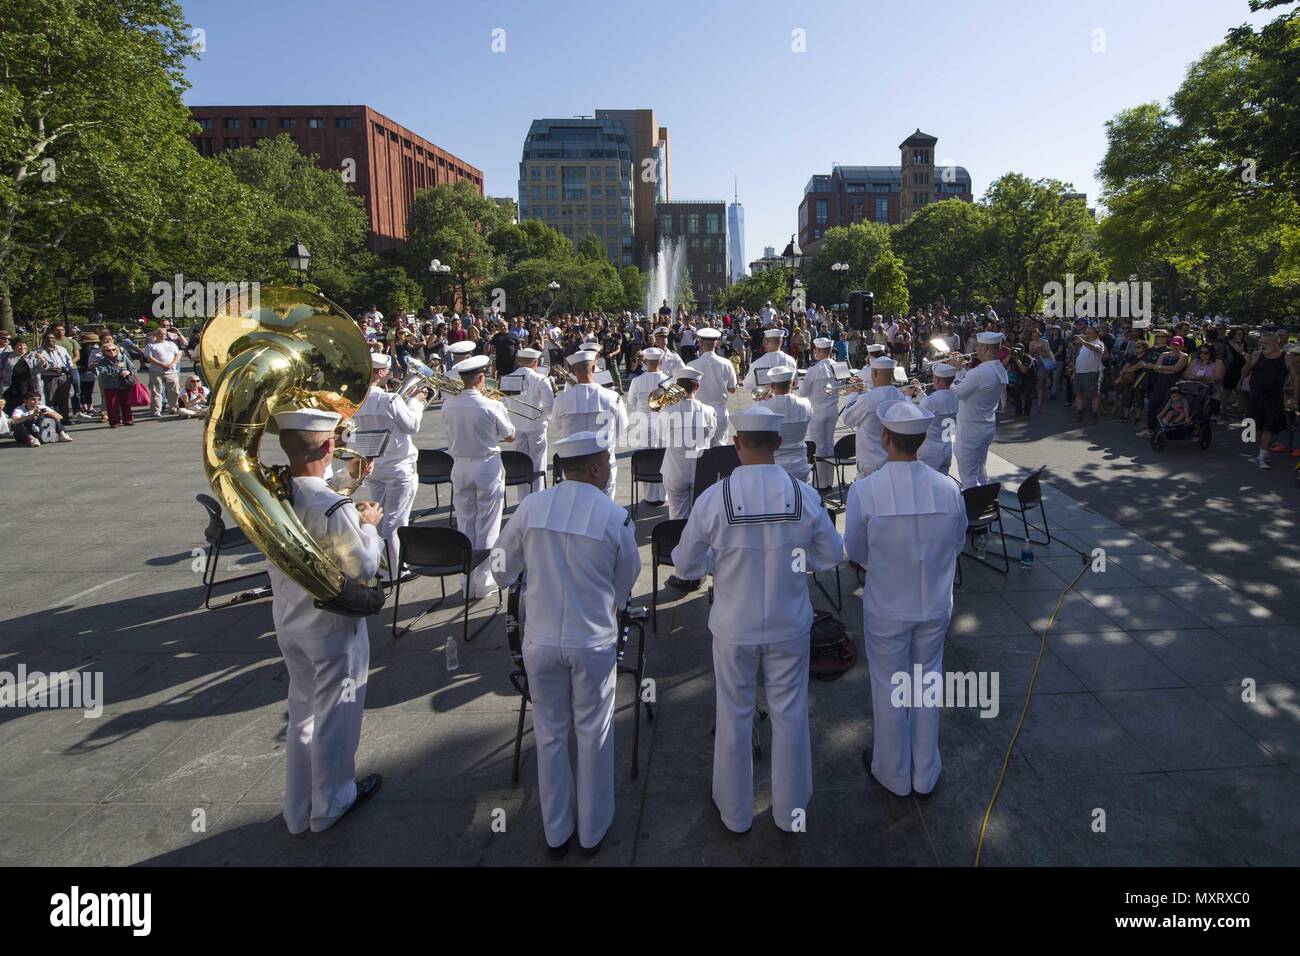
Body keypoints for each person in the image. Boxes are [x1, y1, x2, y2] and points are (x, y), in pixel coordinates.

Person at [671, 406, 845, 833]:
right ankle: (791, 811)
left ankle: (734, 813)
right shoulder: (803, 494)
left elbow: (686, 565)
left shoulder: (713, 498)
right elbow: (832, 555)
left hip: (734, 626)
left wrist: (720, 560)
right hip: (790, 623)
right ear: (779, 443)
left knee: (733, 713)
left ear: (736, 444)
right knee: (790, 713)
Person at [491, 431, 641, 858]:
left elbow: (500, 570)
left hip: (539, 639)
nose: (610, 469)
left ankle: (556, 832)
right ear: (595, 468)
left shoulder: (532, 506)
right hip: (592, 640)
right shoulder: (615, 516)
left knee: (551, 734)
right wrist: (608, 601)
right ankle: (592, 830)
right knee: (594, 733)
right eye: (608, 463)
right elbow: (627, 576)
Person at [267, 407, 386, 834]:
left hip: (290, 619)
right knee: (338, 714)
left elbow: (314, 497)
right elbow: (363, 566)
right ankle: (332, 802)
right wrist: (370, 524)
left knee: (303, 713)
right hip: (332, 626)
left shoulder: (272, 494)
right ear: (329, 444)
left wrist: (345, 482)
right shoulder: (332, 505)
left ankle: (298, 809)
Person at [844, 401, 966, 797]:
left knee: (889, 685)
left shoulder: (864, 489)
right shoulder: (949, 487)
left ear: (884, 438)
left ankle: (893, 771)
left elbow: (856, 551)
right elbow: (957, 542)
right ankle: (925, 770)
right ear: (923, 439)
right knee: (927, 682)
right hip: (934, 604)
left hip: (886, 606)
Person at [443, 354, 516, 598]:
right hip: (486, 465)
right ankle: (485, 581)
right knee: (489, 524)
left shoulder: (448, 404)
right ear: (482, 377)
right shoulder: (491, 404)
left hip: (460, 466)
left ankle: (467, 582)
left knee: (466, 523)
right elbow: (510, 435)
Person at [351, 353, 428, 581]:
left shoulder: (356, 400)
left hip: (375, 464)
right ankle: (394, 570)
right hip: (399, 466)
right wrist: (417, 401)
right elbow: (412, 425)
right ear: (381, 373)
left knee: (381, 517)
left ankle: (382, 566)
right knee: (396, 520)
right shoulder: (390, 399)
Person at [550, 350, 626, 499]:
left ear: (572, 371)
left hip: (574, 466)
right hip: (604, 463)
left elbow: (557, 426)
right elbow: (621, 429)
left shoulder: (561, 400)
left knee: (576, 508)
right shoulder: (612, 397)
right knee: (605, 509)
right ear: (593, 368)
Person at [948, 332, 1008, 488]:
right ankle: (986, 500)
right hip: (985, 427)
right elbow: (972, 385)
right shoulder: (998, 368)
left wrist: (954, 370)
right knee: (980, 469)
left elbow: (955, 393)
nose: (976, 349)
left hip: (970, 431)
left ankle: (973, 509)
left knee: (968, 478)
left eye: (979, 346)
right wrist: (960, 368)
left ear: (986, 349)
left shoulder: (979, 372)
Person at [660, 366, 716, 525]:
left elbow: (661, 436)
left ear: (676, 387)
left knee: (677, 518)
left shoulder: (666, 410)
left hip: (675, 470)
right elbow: (711, 437)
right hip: (701, 470)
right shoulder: (709, 411)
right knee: (702, 518)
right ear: (697, 386)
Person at [841, 356, 905, 478]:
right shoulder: (900, 396)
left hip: (870, 464)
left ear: (875, 372)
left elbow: (848, 419)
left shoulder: (867, 399)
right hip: (891, 461)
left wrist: (852, 394)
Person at [504, 347, 556, 495]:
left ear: (519, 361)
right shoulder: (540, 379)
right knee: (538, 463)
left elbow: (504, 404)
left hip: (516, 427)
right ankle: (538, 496)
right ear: (535, 362)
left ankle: (523, 498)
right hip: (536, 427)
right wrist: (544, 418)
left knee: (521, 463)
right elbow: (550, 406)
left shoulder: (508, 378)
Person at [625, 347, 669, 506]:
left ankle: (650, 496)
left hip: (644, 422)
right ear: (661, 362)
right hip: (663, 421)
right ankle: (662, 494)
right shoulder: (668, 380)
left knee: (648, 456)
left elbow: (631, 402)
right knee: (664, 456)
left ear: (645, 362)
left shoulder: (637, 381)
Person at [800, 337, 841, 491]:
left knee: (818, 447)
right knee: (829, 444)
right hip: (832, 410)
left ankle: (819, 482)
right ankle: (828, 481)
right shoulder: (839, 366)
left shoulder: (813, 370)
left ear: (818, 351)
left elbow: (803, 393)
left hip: (817, 412)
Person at [758, 367, 812, 482]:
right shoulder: (806, 403)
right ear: (793, 383)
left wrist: (763, 401)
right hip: (801, 467)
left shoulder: (763, 407)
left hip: (775, 469)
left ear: (772, 386)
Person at [1244, 332, 1288, 470]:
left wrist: (1294, 398)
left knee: (1270, 426)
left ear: (1276, 343)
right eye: (1260, 343)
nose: (1262, 346)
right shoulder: (1257, 355)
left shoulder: (1286, 357)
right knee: (1255, 427)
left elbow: (1295, 377)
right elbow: (1244, 373)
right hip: (1256, 396)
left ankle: (1262, 456)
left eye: (1265, 343)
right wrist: (1248, 362)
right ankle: (1263, 450)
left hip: (1274, 397)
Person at [688, 326, 737, 447]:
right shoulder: (726, 363)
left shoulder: (692, 364)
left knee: (701, 449)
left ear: (700, 342)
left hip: (700, 411)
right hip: (720, 411)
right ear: (716, 343)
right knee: (720, 449)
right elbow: (732, 389)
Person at [918, 362, 959, 474]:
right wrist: (921, 394)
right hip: (946, 449)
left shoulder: (930, 400)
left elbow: (917, 420)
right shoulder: (956, 396)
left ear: (938, 380)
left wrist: (907, 396)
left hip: (929, 453)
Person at [95, 337, 136, 427]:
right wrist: (118, 369)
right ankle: (114, 421)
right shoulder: (102, 361)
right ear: (104, 352)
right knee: (112, 404)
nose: (112, 352)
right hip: (110, 385)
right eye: (108, 350)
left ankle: (128, 420)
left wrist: (128, 372)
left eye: (113, 349)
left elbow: (133, 368)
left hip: (123, 384)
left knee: (125, 403)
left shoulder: (123, 358)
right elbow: (104, 372)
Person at [1071, 326, 1106, 424]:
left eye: (1089, 333)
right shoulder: (1083, 345)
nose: (1087, 335)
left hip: (1092, 373)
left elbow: (1096, 349)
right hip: (1079, 372)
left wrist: (1083, 341)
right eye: (1086, 333)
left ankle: (1094, 415)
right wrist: (1074, 372)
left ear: (1096, 334)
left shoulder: (1099, 343)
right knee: (1078, 394)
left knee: (1094, 395)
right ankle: (1079, 414)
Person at [144, 327, 181, 417]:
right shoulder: (151, 345)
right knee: (156, 391)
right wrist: (162, 364)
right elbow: (149, 358)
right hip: (156, 371)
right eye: (160, 333)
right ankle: (156, 410)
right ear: (156, 334)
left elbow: (178, 355)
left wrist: (172, 364)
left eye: (164, 334)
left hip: (171, 370)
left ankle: (173, 407)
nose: (162, 335)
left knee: (174, 390)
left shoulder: (171, 344)